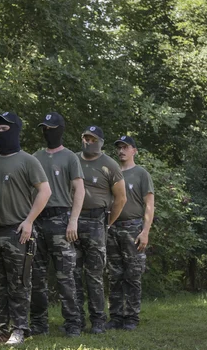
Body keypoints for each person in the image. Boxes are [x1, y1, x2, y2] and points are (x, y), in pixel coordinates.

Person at [0, 112, 51, 346]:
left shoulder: (28, 161)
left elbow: (45, 191)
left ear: (16, 130)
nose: (1, 132)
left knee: (19, 283)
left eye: (6, 128)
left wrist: (29, 221)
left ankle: (19, 328)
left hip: (17, 232)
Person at [29, 112, 85, 337]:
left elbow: (79, 190)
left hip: (61, 220)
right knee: (36, 276)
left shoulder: (70, 157)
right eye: (44, 128)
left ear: (60, 129)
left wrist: (73, 220)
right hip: (38, 221)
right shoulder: (35, 157)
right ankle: (39, 324)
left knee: (65, 276)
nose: (47, 132)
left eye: (51, 128)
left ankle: (73, 323)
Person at [75, 126, 126, 333]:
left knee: (94, 274)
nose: (88, 141)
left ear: (101, 142)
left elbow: (121, 198)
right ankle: (75, 320)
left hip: (97, 222)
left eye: (92, 138)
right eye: (85, 137)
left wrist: (107, 223)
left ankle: (97, 320)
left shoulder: (110, 165)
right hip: (72, 221)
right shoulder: (73, 160)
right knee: (72, 272)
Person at [106, 135, 155, 331]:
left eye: (125, 147)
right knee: (114, 275)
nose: (121, 151)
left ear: (134, 150)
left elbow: (149, 205)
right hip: (112, 227)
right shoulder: (111, 173)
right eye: (119, 147)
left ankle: (131, 317)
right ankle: (116, 317)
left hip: (133, 228)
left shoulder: (141, 174)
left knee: (133, 275)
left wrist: (145, 232)